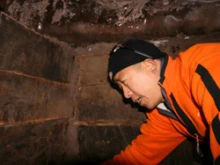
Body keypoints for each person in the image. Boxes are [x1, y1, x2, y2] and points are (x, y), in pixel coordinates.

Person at [102, 39, 220, 165]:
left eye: (125, 82)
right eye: (121, 89)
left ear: (149, 66)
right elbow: (137, 158)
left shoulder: (201, 65)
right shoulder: (165, 114)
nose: (126, 94)